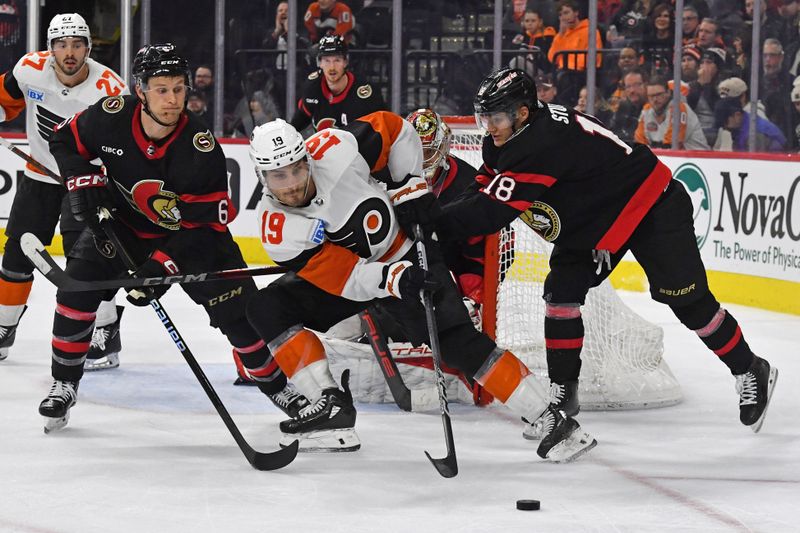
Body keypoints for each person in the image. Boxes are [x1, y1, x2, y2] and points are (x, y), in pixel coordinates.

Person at [436, 67, 778, 441]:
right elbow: (484, 186)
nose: (489, 127)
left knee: (689, 301)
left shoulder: (542, 144)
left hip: (649, 205)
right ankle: (564, 392)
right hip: (594, 217)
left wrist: (431, 221)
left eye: (496, 117)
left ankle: (750, 368)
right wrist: (435, 210)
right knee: (561, 295)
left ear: (522, 112)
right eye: (483, 118)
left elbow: (490, 213)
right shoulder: (511, 136)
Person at [244, 110, 597, 460]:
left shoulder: (336, 148)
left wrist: (408, 185)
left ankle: (553, 420)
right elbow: (345, 277)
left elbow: (395, 128)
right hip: (359, 279)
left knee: (458, 343)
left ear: (308, 158)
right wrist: (392, 278)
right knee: (265, 308)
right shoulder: (278, 230)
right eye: (278, 176)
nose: (291, 183)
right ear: (262, 176)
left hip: (411, 251)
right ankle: (330, 407)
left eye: (297, 169)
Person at [39, 43, 309, 432]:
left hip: (194, 241)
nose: (172, 99)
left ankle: (278, 388)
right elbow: (63, 139)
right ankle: (64, 383)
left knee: (240, 316)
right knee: (75, 293)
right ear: (141, 90)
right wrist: (83, 177)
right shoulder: (110, 117)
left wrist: (162, 265)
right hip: (122, 228)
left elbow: (202, 228)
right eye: (162, 89)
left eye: (179, 89)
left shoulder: (201, 148)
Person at [0, 13, 125, 370]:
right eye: (61, 44)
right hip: (39, 176)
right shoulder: (28, 69)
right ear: (50, 47)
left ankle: (105, 331)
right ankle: (4, 327)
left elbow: (123, 146)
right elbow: (6, 100)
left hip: (86, 182)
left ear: (88, 47)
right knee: (16, 255)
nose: (69, 52)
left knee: (87, 260)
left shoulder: (111, 90)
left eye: (76, 44)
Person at [290, 35, 385, 132]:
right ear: (320, 63)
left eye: (337, 60)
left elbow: (384, 127)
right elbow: (302, 116)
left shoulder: (365, 94)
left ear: (345, 62)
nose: (332, 67)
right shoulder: (313, 86)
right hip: (324, 146)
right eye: (327, 60)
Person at [635, 76, 710, 150]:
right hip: (668, 156)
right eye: (651, 96)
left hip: (697, 156)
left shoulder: (679, 108)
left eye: (658, 94)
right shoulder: (646, 110)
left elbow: (674, 143)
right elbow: (639, 140)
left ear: (668, 92)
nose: (655, 99)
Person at [712, 96, 787, 151]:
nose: (724, 127)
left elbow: (756, 165)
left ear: (737, 115)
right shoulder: (742, 127)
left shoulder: (755, 134)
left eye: (725, 122)